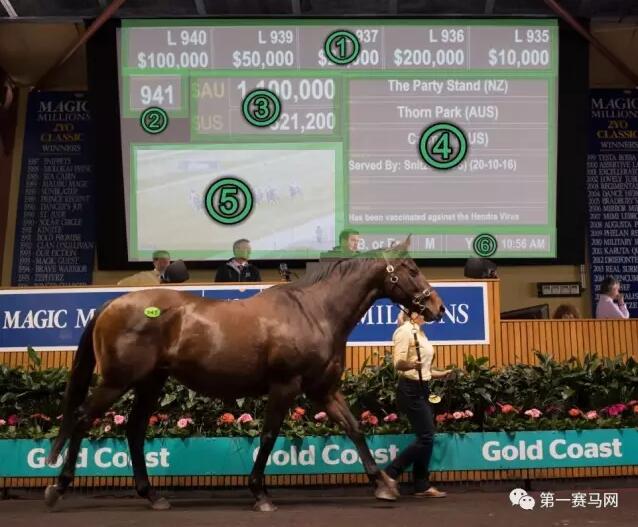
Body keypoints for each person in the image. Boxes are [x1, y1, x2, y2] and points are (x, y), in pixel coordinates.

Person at [383, 309, 453, 498]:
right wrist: (413, 365)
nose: (428, 315)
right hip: (409, 389)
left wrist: (441, 373)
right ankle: (390, 474)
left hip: (422, 388)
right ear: (414, 314)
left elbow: (425, 367)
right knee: (427, 437)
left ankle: (421, 485)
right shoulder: (405, 331)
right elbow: (398, 363)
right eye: (424, 312)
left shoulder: (419, 332)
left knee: (426, 437)